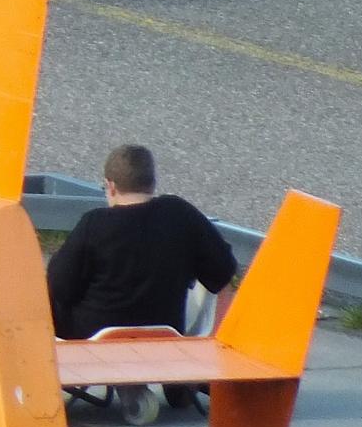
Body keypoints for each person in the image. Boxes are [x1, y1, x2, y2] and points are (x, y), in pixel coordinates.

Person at [47, 145, 237, 342]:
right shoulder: (180, 214)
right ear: (152, 183)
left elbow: (58, 286)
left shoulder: (94, 224)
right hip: (164, 337)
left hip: (95, 340)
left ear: (111, 186)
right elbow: (224, 272)